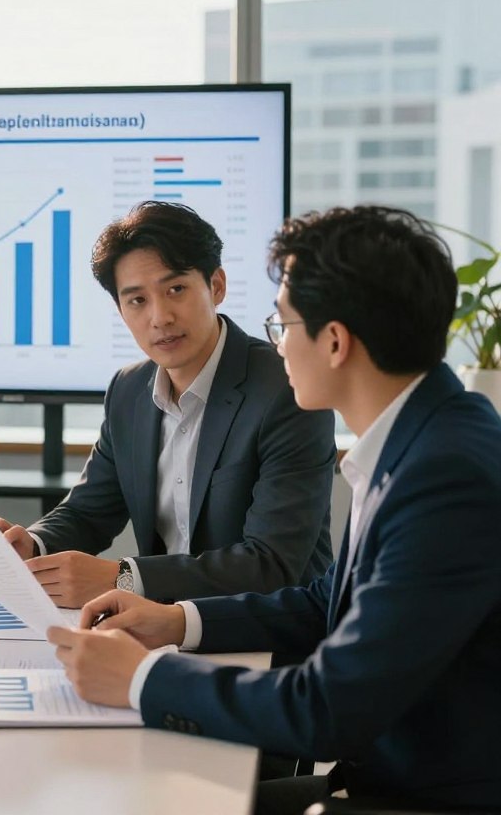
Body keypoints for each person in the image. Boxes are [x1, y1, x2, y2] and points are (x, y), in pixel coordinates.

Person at [48, 206, 501, 813]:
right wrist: (175, 620)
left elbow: (326, 709)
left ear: (335, 341)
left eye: (283, 323)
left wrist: (141, 678)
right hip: (388, 777)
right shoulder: (424, 438)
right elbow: (326, 603)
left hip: (421, 797)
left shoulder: (443, 476)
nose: (276, 342)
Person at [0, 201, 336, 608]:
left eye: (176, 289)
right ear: (121, 310)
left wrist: (122, 577)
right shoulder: (128, 390)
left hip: (268, 630)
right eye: (137, 300)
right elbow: (89, 513)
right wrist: (33, 545)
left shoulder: (286, 389)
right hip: (157, 625)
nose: (160, 317)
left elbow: (271, 564)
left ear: (217, 286)